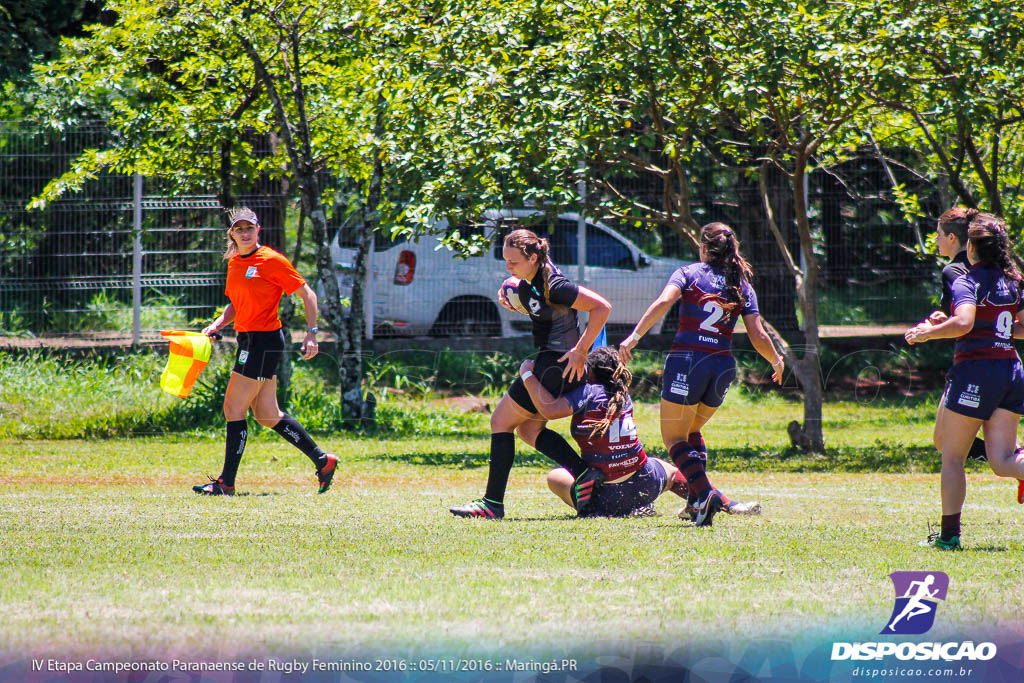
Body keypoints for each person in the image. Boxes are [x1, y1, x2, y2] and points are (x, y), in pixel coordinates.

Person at [618, 222, 784, 526]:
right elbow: (758, 334)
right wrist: (776, 361)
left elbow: (664, 302)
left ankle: (706, 495)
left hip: (688, 361)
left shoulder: (688, 273)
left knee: (674, 438)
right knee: (692, 430)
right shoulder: (741, 284)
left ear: (704, 246)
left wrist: (634, 337)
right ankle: (696, 503)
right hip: (722, 367)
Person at [449, 227, 612, 519]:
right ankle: (584, 473)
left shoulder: (556, 283)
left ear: (533, 256)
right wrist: (515, 296)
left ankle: (492, 504)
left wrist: (581, 350)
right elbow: (546, 311)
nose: (508, 267)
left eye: (513, 262)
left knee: (500, 421)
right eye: (506, 261)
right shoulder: (535, 278)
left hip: (553, 365)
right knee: (528, 429)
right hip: (552, 364)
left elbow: (602, 307)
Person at [194, 207, 337, 496]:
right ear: (231, 234)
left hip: (263, 341)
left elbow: (307, 294)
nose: (245, 233)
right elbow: (236, 303)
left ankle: (226, 483)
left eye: (250, 228)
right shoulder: (235, 262)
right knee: (267, 414)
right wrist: (217, 324)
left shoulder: (271, 260)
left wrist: (311, 334)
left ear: (258, 230)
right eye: (239, 229)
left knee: (234, 409)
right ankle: (323, 460)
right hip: (249, 341)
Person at [904, 213, 1024, 549]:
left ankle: (949, 537)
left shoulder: (967, 279)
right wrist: (996, 329)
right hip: (1011, 370)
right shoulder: (1013, 279)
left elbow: (964, 322)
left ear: (970, 246)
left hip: (976, 373)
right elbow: (1020, 326)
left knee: (953, 456)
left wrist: (929, 332)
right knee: (1002, 461)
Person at [517, 346, 687, 518]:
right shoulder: (622, 395)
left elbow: (550, 410)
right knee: (667, 469)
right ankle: (698, 498)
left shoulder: (587, 391)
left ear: (588, 370)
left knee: (555, 476)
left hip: (604, 496)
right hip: (644, 483)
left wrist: (527, 375)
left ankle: (591, 503)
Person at [923, 207, 988, 463]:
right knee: (944, 440)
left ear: (952, 238)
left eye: (939, 234)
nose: (936, 239)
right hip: (999, 359)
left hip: (973, 363)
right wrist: (945, 319)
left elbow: (965, 321)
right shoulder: (988, 266)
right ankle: (1015, 460)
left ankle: (1017, 463)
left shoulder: (953, 271)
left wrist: (929, 332)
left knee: (947, 443)